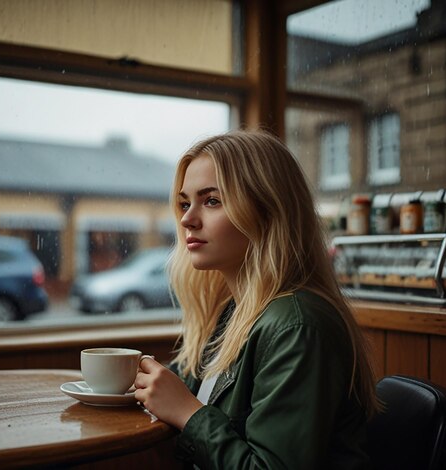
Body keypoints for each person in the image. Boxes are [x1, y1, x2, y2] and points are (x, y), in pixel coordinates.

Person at [133, 130, 378, 469]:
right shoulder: (233, 314)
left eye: (212, 200)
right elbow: (171, 391)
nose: (187, 218)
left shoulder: (297, 327)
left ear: (267, 210)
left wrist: (189, 415)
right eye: (185, 203)